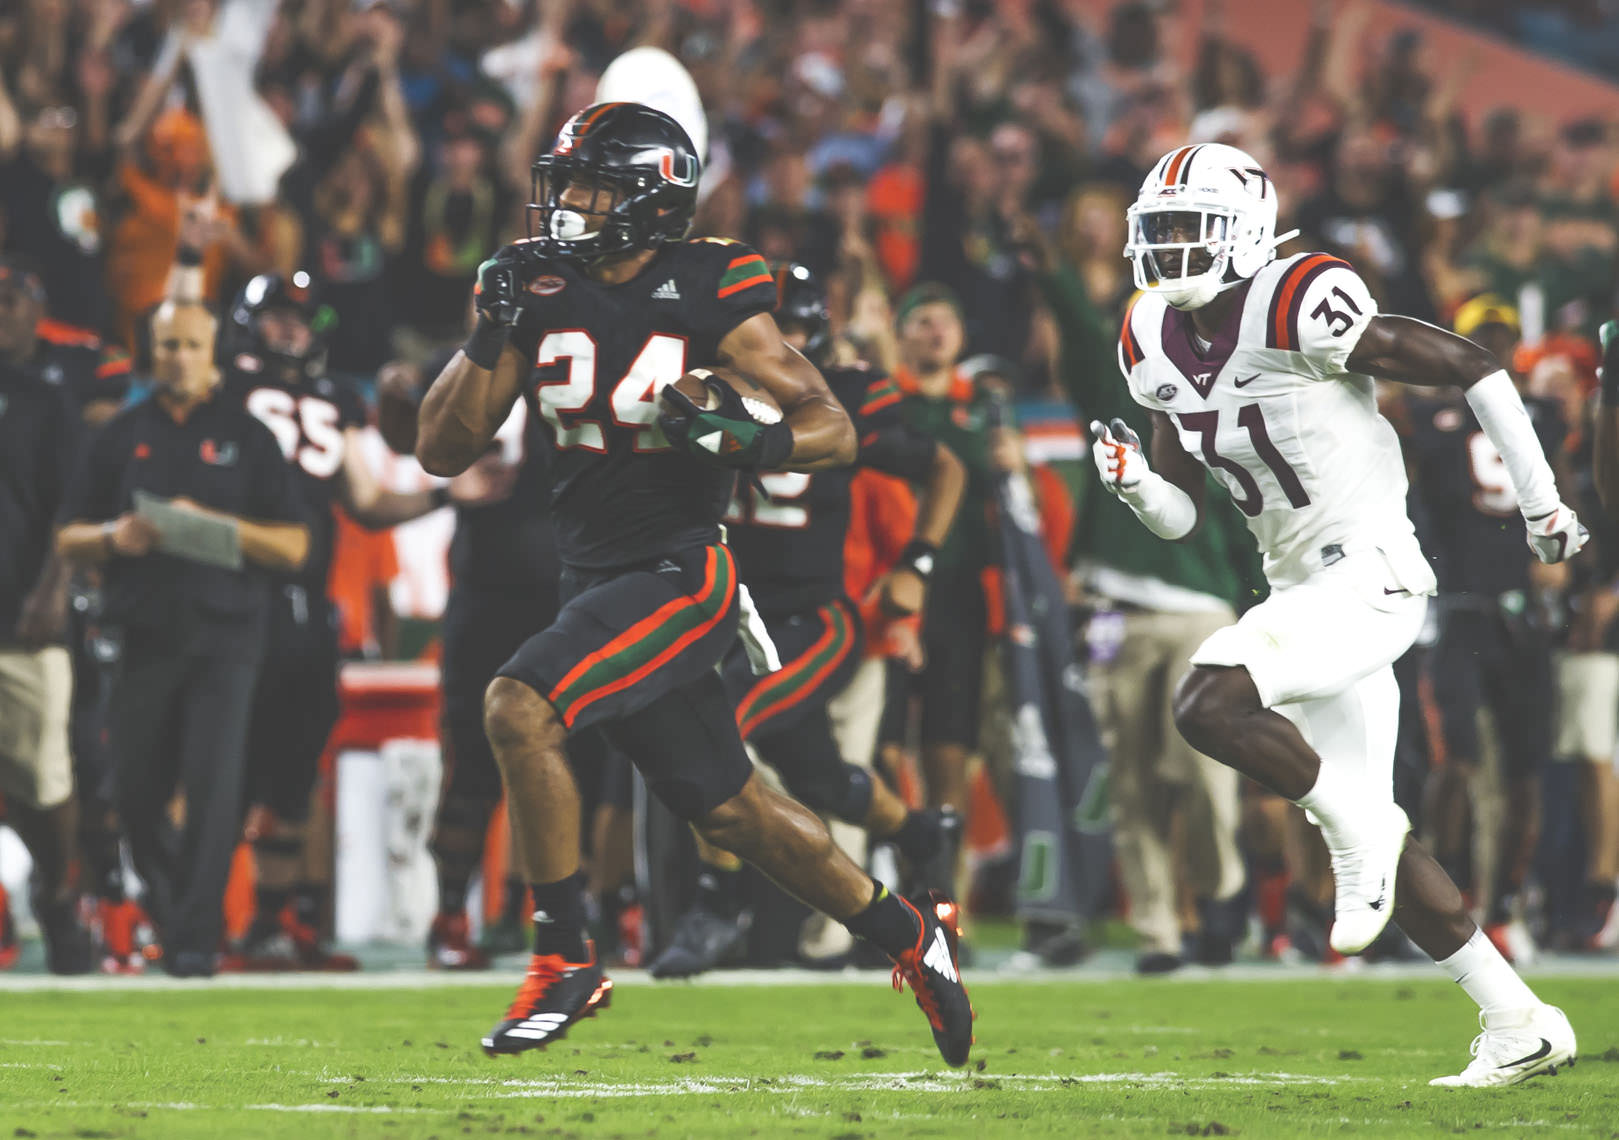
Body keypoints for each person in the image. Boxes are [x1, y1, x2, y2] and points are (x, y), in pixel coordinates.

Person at [414, 102, 973, 1065]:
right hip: (593, 581)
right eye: (566, 182)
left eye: (592, 186)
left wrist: (753, 439)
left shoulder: (710, 283)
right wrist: (488, 329)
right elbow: (440, 448)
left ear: (650, 200)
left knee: (516, 706)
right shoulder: (534, 285)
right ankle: (910, 935)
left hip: (681, 574)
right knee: (735, 810)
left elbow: (832, 426)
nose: (569, 202)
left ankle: (564, 958)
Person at [1094, 142, 1583, 1087]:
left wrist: (1542, 507)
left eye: (1191, 228)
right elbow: (1182, 511)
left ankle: (1353, 828)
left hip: (1368, 576)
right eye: (1159, 230)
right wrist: (1135, 486)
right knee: (1380, 838)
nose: (1170, 248)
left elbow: (1474, 365)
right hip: (1299, 592)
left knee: (1208, 703)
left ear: (1245, 230)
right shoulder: (1147, 333)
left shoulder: (1294, 297)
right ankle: (1517, 1020)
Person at [647, 263, 968, 979]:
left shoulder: (845, 393)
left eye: (788, 328)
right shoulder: (698, 385)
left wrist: (916, 566)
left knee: (715, 726)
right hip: (724, 616)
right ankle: (920, 833)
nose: (772, 342)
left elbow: (945, 467)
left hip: (811, 618)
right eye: (761, 327)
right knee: (819, 781)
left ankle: (718, 900)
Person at [222, 270, 490, 971]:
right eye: (278, 315)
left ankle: (280, 925)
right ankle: (195, 918)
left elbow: (366, 501)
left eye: (301, 317)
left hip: (304, 607)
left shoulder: (332, 398)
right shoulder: (219, 385)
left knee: (298, 769)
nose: (291, 329)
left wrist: (445, 497)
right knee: (217, 764)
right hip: (226, 600)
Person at [1015, 214, 1260, 974]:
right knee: (1130, 783)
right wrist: (1050, 272)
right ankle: (1157, 930)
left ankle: (1220, 894)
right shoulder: (1116, 396)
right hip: (1114, 612)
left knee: (1204, 772)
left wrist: (1260, 609)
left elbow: (1252, 523)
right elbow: (1084, 341)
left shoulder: (1230, 403)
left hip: (1200, 612)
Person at [55, 260, 309, 978]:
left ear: (212, 353)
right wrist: (114, 538)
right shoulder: (118, 435)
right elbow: (68, 536)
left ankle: (196, 941)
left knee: (213, 790)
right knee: (133, 792)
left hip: (228, 636)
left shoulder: (249, 437)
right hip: (140, 635)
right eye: (168, 345)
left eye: (192, 345)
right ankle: (174, 914)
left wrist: (220, 529)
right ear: (151, 352)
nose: (179, 357)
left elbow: (295, 545)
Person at [1400, 296, 1564, 962]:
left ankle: (1503, 906)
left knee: (1523, 772)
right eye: (1481, 338)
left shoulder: (1538, 415)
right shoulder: (1434, 418)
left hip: (1519, 615)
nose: (1490, 349)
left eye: (1500, 337)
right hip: (1461, 608)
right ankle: (1446, 899)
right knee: (1455, 762)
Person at [0, 261, 92, 974]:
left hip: (22, 617)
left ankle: (60, 895)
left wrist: (53, 590)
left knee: (43, 779)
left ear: (37, 310)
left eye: (9, 299)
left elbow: (73, 503)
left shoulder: (50, 399)